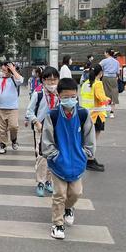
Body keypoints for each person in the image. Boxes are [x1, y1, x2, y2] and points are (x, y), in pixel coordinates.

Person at [42, 77, 95, 240]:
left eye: (73, 96)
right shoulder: (53, 115)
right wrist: (54, 156)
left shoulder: (83, 114)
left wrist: (86, 154)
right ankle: (57, 224)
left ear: (77, 95)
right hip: (58, 163)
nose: (70, 100)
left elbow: (89, 137)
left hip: (77, 163)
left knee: (76, 193)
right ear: (59, 96)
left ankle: (68, 208)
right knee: (59, 194)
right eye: (66, 97)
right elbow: (47, 140)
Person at [25, 66, 60, 197]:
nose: (52, 83)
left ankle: (49, 181)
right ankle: (40, 182)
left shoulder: (59, 94)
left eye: (54, 80)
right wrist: (36, 122)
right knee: (42, 156)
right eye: (49, 80)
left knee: (53, 156)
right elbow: (29, 111)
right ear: (43, 80)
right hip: (40, 128)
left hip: (56, 128)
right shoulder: (38, 93)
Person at [0, 62, 24, 154]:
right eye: (2, 69)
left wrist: (13, 70)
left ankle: (14, 139)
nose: (3, 72)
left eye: (5, 70)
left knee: (13, 126)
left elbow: (20, 80)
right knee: (2, 129)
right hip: (0, 107)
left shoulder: (14, 78)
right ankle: (3, 145)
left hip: (12, 108)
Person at [80, 64, 110, 172]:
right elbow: (101, 98)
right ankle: (90, 160)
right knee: (93, 140)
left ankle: (90, 159)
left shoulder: (85, 83)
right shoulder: (98, 84)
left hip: (86, 115)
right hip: (96, 115)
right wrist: (108, 99)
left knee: (88, 139)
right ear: (100, 73)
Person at [100, 49, 120, 118]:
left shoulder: (104, 61)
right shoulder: (116, 62)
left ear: (107, 53)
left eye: (105, 52)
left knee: (105, 94)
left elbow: (98, 68)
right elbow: (118, 72)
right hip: (114, 78)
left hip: (105, 78)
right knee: (114, 94)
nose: (104, 54)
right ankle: (112, 113)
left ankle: (105, 112)